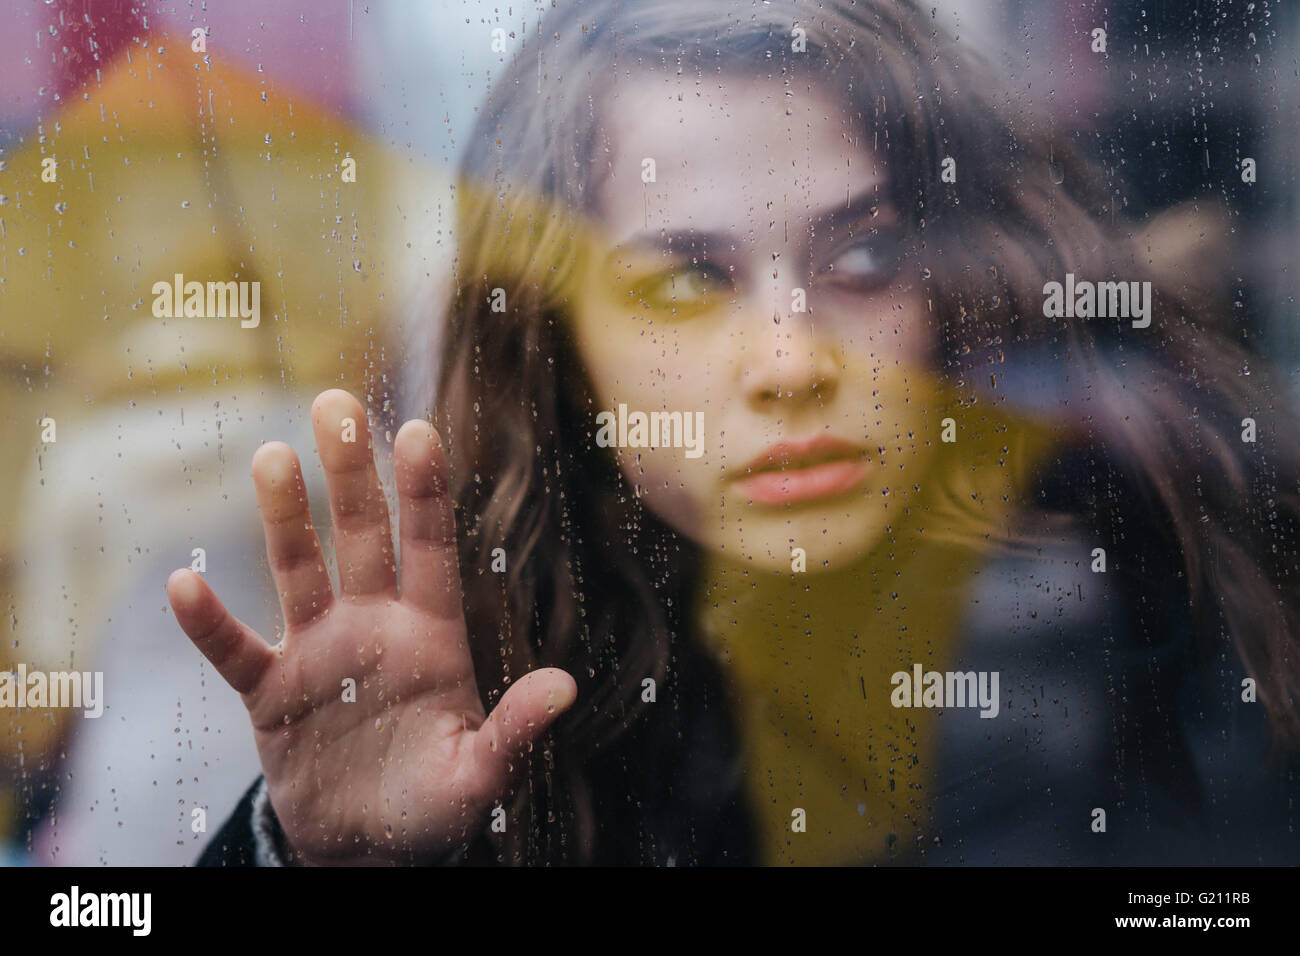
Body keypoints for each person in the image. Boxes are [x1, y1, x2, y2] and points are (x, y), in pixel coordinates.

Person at [167, 0, 1300, 866]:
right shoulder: (494, 687)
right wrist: (315, 857)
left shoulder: (1204, 602)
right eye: (682, 289)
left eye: (862, 260)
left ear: (963, 285)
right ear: (561, 354)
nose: (789, 362)